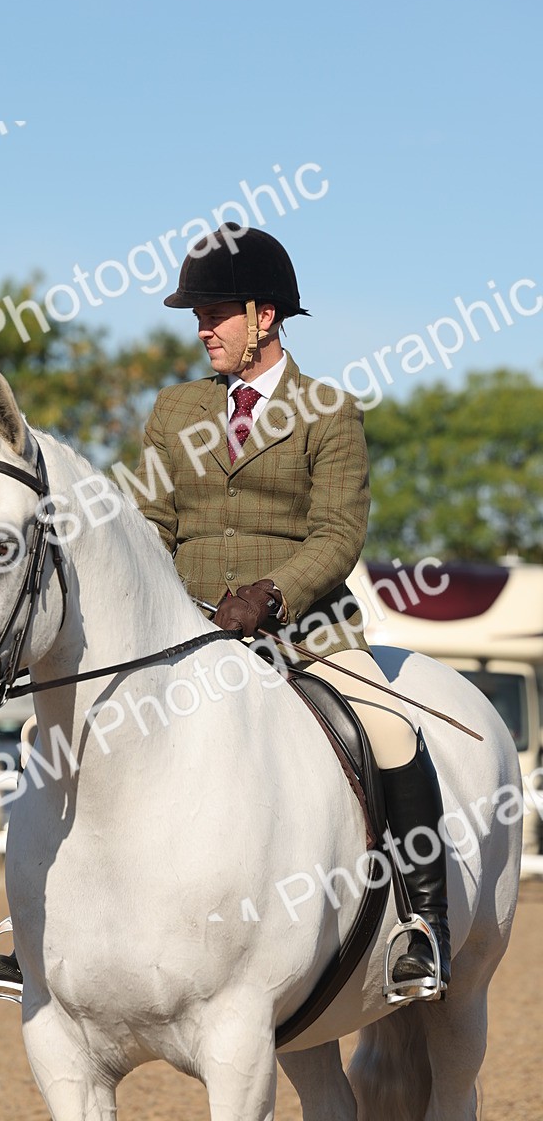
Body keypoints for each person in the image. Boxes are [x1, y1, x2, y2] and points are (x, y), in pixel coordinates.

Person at [131, 222, 451, 996]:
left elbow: (338, 532)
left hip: (306, 631)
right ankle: (39, 925)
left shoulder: (328, 410)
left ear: (264, 316)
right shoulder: (174, 410)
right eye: (198, 315)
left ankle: (422, 926)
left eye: (216, 313)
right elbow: (149, 525)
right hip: (188, 633)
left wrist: (272, 594)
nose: (202, 329)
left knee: (389, 729)